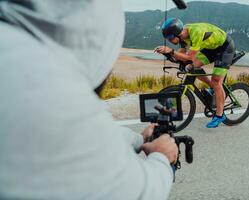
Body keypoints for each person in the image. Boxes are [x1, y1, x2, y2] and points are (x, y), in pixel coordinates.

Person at [0, 1, 178, 199]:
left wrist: (140, 139)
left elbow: (86, 135)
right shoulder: (43, 85)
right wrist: (162, 156)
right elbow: (137, 192)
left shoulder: (14, 51)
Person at [155, 18, 236, 128]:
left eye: (169, 37)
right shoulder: (182, 38)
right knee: (190, 67)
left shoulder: (196, 32)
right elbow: (182, 57)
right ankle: (213, 88)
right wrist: (168, 54)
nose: (169, 40)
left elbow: (190, 57)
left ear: (177, 34)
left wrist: (171, 51)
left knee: (216, 81)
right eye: (166, 38)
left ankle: (220, 115)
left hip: (225, 48)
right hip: (211, 48)